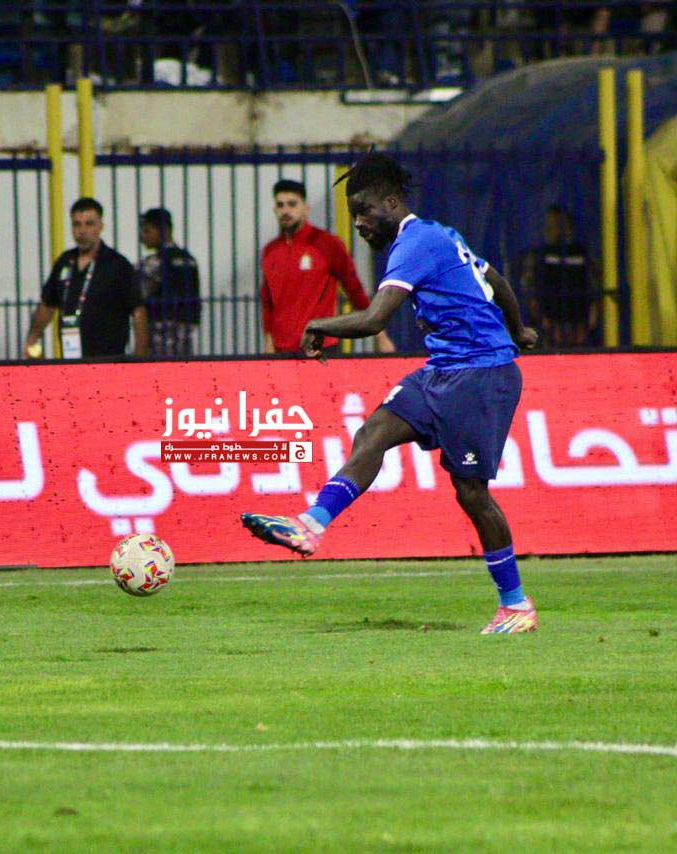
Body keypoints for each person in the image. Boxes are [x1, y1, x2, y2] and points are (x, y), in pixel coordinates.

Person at [241, 153, 541, 635]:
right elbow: (495, 280)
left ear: (392, 202)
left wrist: (318, 324)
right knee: (373, 432)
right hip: (443, 370)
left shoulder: (414, 244)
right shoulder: (438, 234)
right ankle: (310, 525)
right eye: (353, 213)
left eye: (364, 210)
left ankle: (516, 605)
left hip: (481, 374)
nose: (359, 222)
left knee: (471, 492)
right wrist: (519, 328)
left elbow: (374, 318)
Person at [260, 178, 392, 355]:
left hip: (321, 346)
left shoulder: (327, 244)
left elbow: (354, 290)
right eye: (280, 205)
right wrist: (268, 342)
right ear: (275, 210)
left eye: (292, 204)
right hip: (282, 349)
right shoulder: (270, 251)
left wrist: (380, 337)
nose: (286, 211)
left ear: (305, 209)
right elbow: (268, 303)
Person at [24, 198, 148, 359]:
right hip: (71, 358)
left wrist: (140, 357)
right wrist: (33, 338)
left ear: (100, 226)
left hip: (108, 360)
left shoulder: (117, 265)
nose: (82, 231)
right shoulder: (65, 262)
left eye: (89, 224)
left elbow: (138, 311)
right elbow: (47, 304)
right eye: (77, 224)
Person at [520, 205, 598, 347]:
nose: (553, 229)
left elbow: (593, 284)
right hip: (550, 323)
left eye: (558, 224)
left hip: (578, 323)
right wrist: (543, 320)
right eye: (550, 224)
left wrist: (591, 318)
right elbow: (530, 289)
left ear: (568, 226)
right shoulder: (538, 255)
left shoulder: (581, 253)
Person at [138, 208, 202, 357]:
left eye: (147, 231)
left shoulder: (154, 262)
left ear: (164, 230)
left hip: (159, 330)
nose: (143, 236)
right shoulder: (188, 259)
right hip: (185, 330)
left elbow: (138, 293)